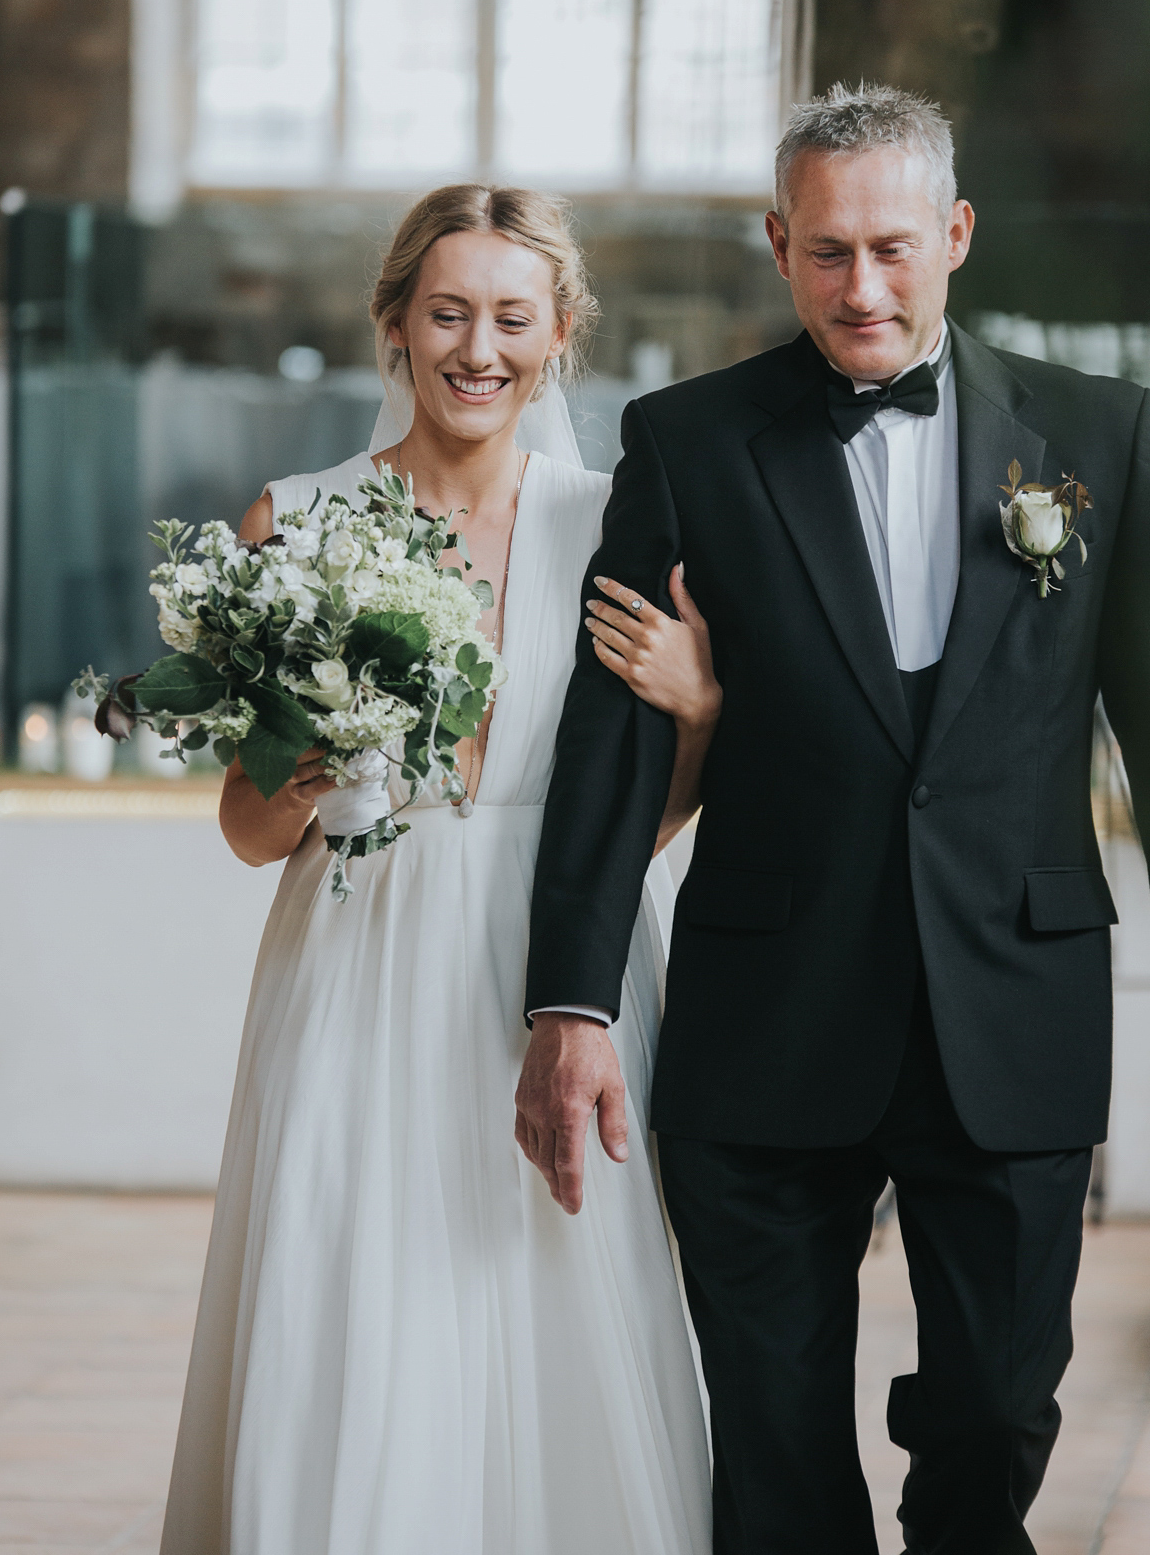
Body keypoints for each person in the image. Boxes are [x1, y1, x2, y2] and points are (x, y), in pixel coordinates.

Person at [518, 82, 1150, 1555]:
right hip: (769, 1009)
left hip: (1014, 1000)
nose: (862, 288)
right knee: (772, 1421)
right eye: (825, 253)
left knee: (997, 1405)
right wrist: (573, 994)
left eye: (892, 248)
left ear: (958, 233)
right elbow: (616, 732)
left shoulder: (1103, 439)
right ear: (777, 243)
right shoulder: (685, 442)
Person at [159, 184, 718, 1555]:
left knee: (556, 1289)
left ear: (560, 331)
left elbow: (643, 821)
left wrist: (698, 712)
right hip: (359, 964)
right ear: (395, 325)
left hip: (563, 966)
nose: (479, 349)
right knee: (360, 1294)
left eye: (512, 318)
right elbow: (245, 829)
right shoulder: (294, 523)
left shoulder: (617, 527)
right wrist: (304, 772)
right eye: (448, 312)